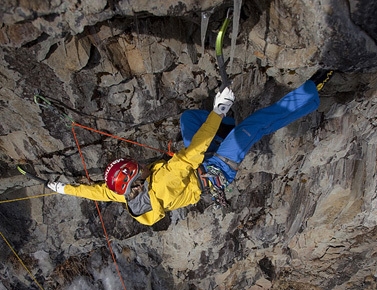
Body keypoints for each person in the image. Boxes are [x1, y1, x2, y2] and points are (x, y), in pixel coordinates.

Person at [47, 70, 333, 225]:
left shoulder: (125, 194)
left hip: (197, 165)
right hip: (215, 170)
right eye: (138, 167)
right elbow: (193, 151)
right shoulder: (162, 181)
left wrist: (62, 188)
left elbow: (95, 192)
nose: (143, 163)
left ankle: (227, 130)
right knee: (255, 125)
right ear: (137, 180)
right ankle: (311, 92)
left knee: (189, 119)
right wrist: (218, 111)